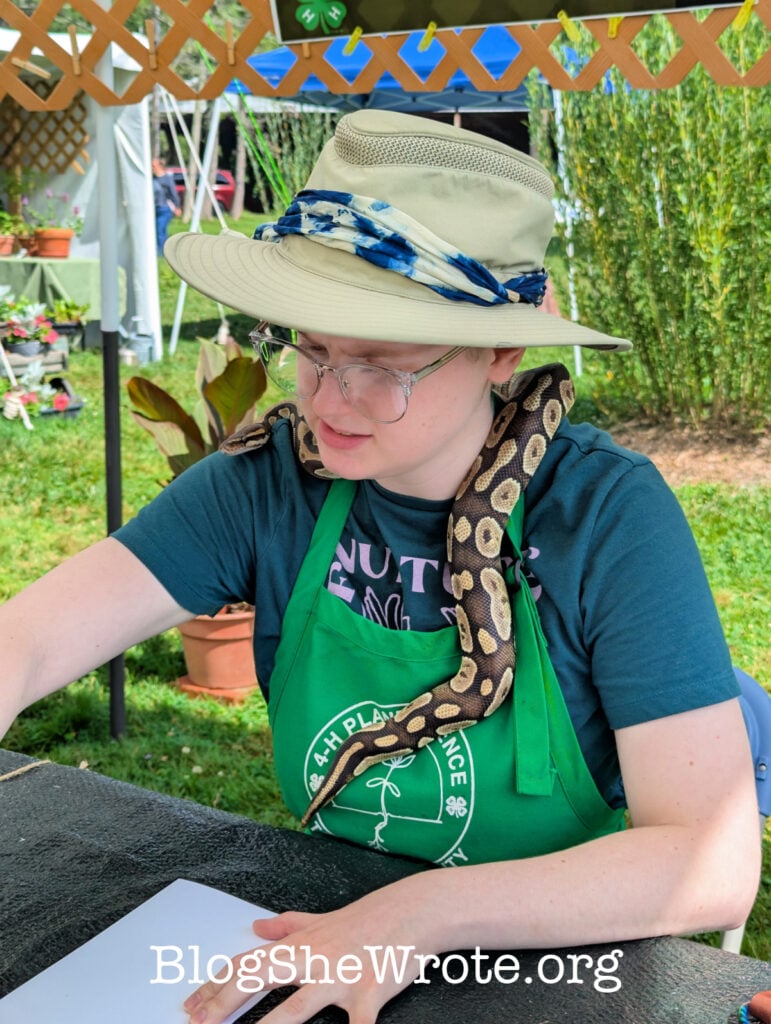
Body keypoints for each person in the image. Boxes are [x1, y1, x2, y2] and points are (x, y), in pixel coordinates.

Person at [1, 112, 759, 1024]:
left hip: (567, 970)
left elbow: (707, 862)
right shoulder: (261, 489)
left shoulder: (602, 515)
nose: (331, 396)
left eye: (382, 361)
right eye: (312, 349)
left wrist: (416, 917)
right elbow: (29, 642)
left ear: (503, 352)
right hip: (333, 939)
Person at [152, 156, 181, 255]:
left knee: (160, 230)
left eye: (153, 166)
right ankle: (162, 249)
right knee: (157, 231)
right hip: (154, 209)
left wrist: (177, 207)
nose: (152, 168)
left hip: (164, 208)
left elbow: (173, 193)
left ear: (160, 166)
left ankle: (161, 253)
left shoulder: (166, 179)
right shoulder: (152, 178)